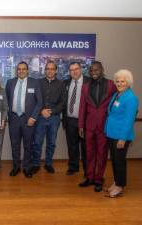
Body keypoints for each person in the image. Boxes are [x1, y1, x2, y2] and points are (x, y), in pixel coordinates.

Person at [78, 61, 116, 192]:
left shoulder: (111, 85)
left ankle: (99, 179)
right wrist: (81, 126)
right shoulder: (85, 87)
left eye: (96, 70)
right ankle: (89, 177)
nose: (93, 72)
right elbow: (82, 107)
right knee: (89, 153)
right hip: (89, 126)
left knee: (102, 154)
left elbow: (118, 101)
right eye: (91, 70)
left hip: (104, 126)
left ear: (102, 70)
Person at [104, 69, 139, 198]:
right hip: (112, 133)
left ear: (128, 82)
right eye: (117, 81)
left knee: (120, 161)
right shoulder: (117, 95)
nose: (119, 84)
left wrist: (122, 138)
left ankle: (120, 186)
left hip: (121, 136)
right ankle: (116, 182)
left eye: (122, 81)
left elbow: (129, 120)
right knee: (114, 160)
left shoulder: (131, 98)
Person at [5, 61, 43, 178]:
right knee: (15, 145)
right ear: (17, 71)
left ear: (27, 70)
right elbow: (6, 101)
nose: (21, 71)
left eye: (23, 69)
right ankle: (16, 167)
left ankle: (27, 167)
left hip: (29, 119)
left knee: (28, 145)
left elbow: (40, 101)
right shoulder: (10, 82)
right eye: (19, 69)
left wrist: (34, 117)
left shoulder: (34, 82)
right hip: (14, 118)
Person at [31, 61, 66, 174]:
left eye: (52, 69)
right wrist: (41, 110)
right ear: (45, 70)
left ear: (55, 71)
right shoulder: (38, 82)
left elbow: (62, 102)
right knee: (37, 142)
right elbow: (33, 99)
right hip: (40, 117)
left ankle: (48, 163)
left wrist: (52, 111)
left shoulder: (61, 84)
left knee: (51, 142)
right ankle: (36, 163)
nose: (50, 71)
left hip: (54, 118)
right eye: (48, 68)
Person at [62, 62, 89, 176]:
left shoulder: (89, 82)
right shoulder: (66, 83)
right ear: (69, 72)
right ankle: (73, 167)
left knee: (86, 147)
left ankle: (88, 170)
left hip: (85, 121)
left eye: (76, 69)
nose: (74, 71)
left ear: (81, 69)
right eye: (71, 70)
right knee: (72, 145)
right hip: (70, 120)